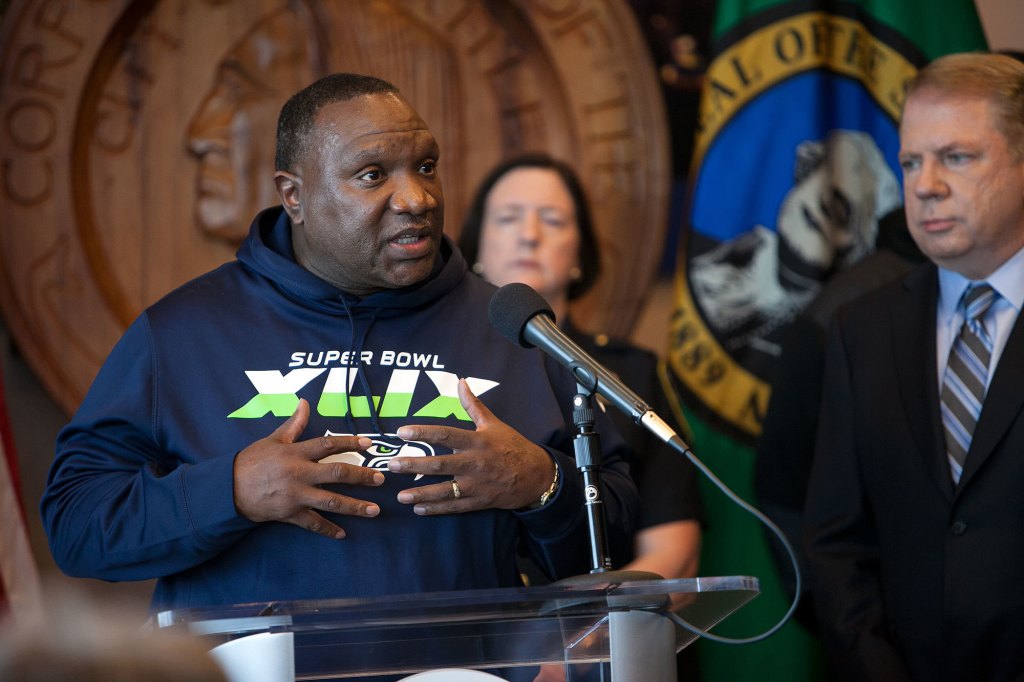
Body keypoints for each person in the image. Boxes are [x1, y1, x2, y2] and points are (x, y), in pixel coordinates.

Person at [42, 74, 639, 615]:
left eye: (426, 166)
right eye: (373, 175)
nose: (417, 198)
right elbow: (76, 524)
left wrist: (543, 484)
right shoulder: (183, 332)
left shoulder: (510, 330)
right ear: (294, 195)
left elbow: (614, 526)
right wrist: (231, 491)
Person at [804, 52, 1024, 682]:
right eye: (909, 162)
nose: (924, 184)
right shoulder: (861, 329)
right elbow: (835, 539)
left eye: (956, 157)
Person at [458, 152, 702, 583]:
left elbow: (673, 554)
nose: (529, 236)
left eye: (551, 220)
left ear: (579, 255)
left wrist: (586, 634)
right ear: (475, 247)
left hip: (601, 640)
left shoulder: (631, 374)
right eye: (509, 218)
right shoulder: (439, 367)